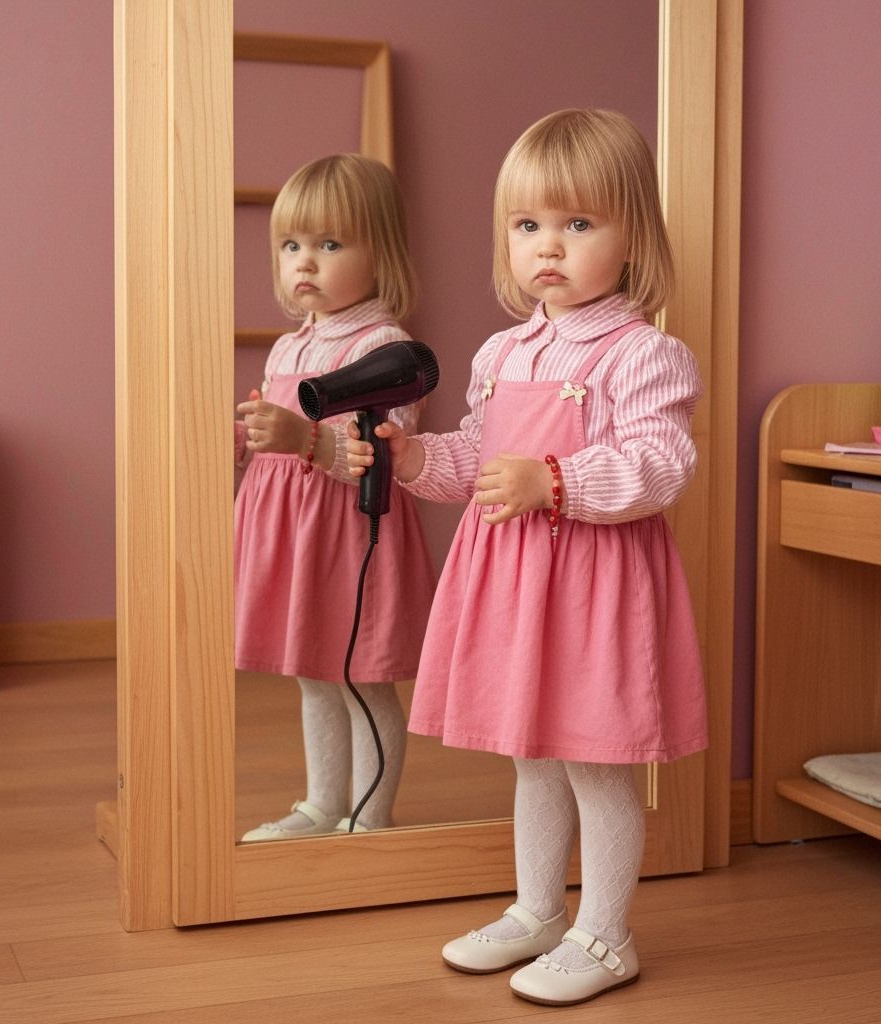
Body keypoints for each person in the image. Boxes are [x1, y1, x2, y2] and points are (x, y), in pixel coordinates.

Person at [347, 109, 706, 1006]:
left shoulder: (644, 353)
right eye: (528, 225)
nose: (550, 245)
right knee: (532, 756)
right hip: (514, 582)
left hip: (593, 586)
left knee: (594, 756)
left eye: (579, 224)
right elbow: (477, 456)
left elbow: (661, 465)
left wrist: (555, 481)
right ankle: (540, 908)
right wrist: (413, 456)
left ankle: (606, 933)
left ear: (632, 241)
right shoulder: (502, 352)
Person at [234, 154, 436, 841]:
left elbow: (386, 450)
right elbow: (277, 435)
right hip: (294, 531)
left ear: (380, 253)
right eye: (291, 246)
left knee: (359, 674)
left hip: (352, 531)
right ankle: (323, 805)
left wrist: (303, 440)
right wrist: (249, 437)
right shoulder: (289, 347)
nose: (305, 263)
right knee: (313, 674)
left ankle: (371, 817)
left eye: (328, 244)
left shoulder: (387, 344)